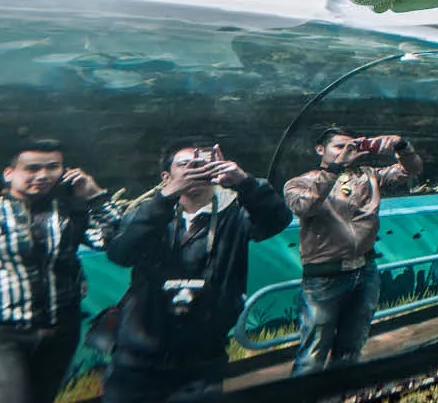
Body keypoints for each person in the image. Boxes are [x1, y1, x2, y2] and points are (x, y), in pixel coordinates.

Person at [102, 138, 294, 402]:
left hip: (203, 357)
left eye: (203, 163)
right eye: (186, 164)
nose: (196, 169)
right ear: (166, 176)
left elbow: (278, 219)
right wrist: (164, 199)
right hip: (137, 353)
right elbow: (121, 254)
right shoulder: (148, 214)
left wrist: (244, 181)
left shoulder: (235, 217)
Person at [0, 139, 121, 403]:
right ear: (9, 173)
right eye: (32, 168)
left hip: (60, 331)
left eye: (53, 167)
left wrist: (94, 195)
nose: (43, 175)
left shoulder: (72, 213)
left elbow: (113, 240)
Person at [282, 126, 424, 375]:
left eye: (353, 146)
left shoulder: (369, 176)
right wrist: (334, 169)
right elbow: (303, 206)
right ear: (320, 150)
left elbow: (411, 170)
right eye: (339, 147)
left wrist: (402, 145)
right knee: (312, 356)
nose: (348, 151)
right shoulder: (300, 182)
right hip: (323, 280)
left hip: (366, 272)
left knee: (351, 351)